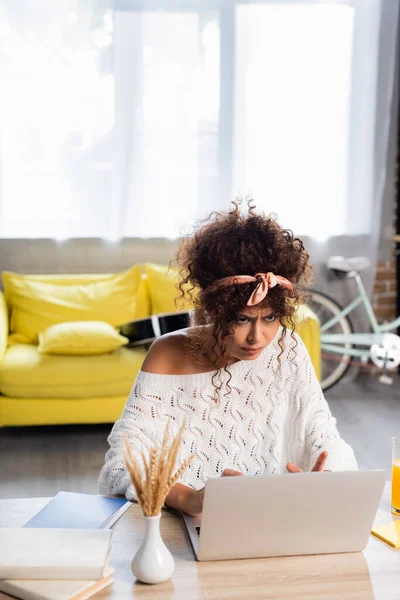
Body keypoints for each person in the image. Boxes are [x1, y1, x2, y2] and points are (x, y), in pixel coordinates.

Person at [99, 201, 357, 516]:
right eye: (242, 319)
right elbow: (122, 461)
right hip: (184, 522)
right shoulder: (168, 353)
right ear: (214, 311)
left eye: (270, 317)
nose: (257, 337)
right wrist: (187, 499)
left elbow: (325, 435)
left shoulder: (287, 348)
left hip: (274, 518)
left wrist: (327, 477)